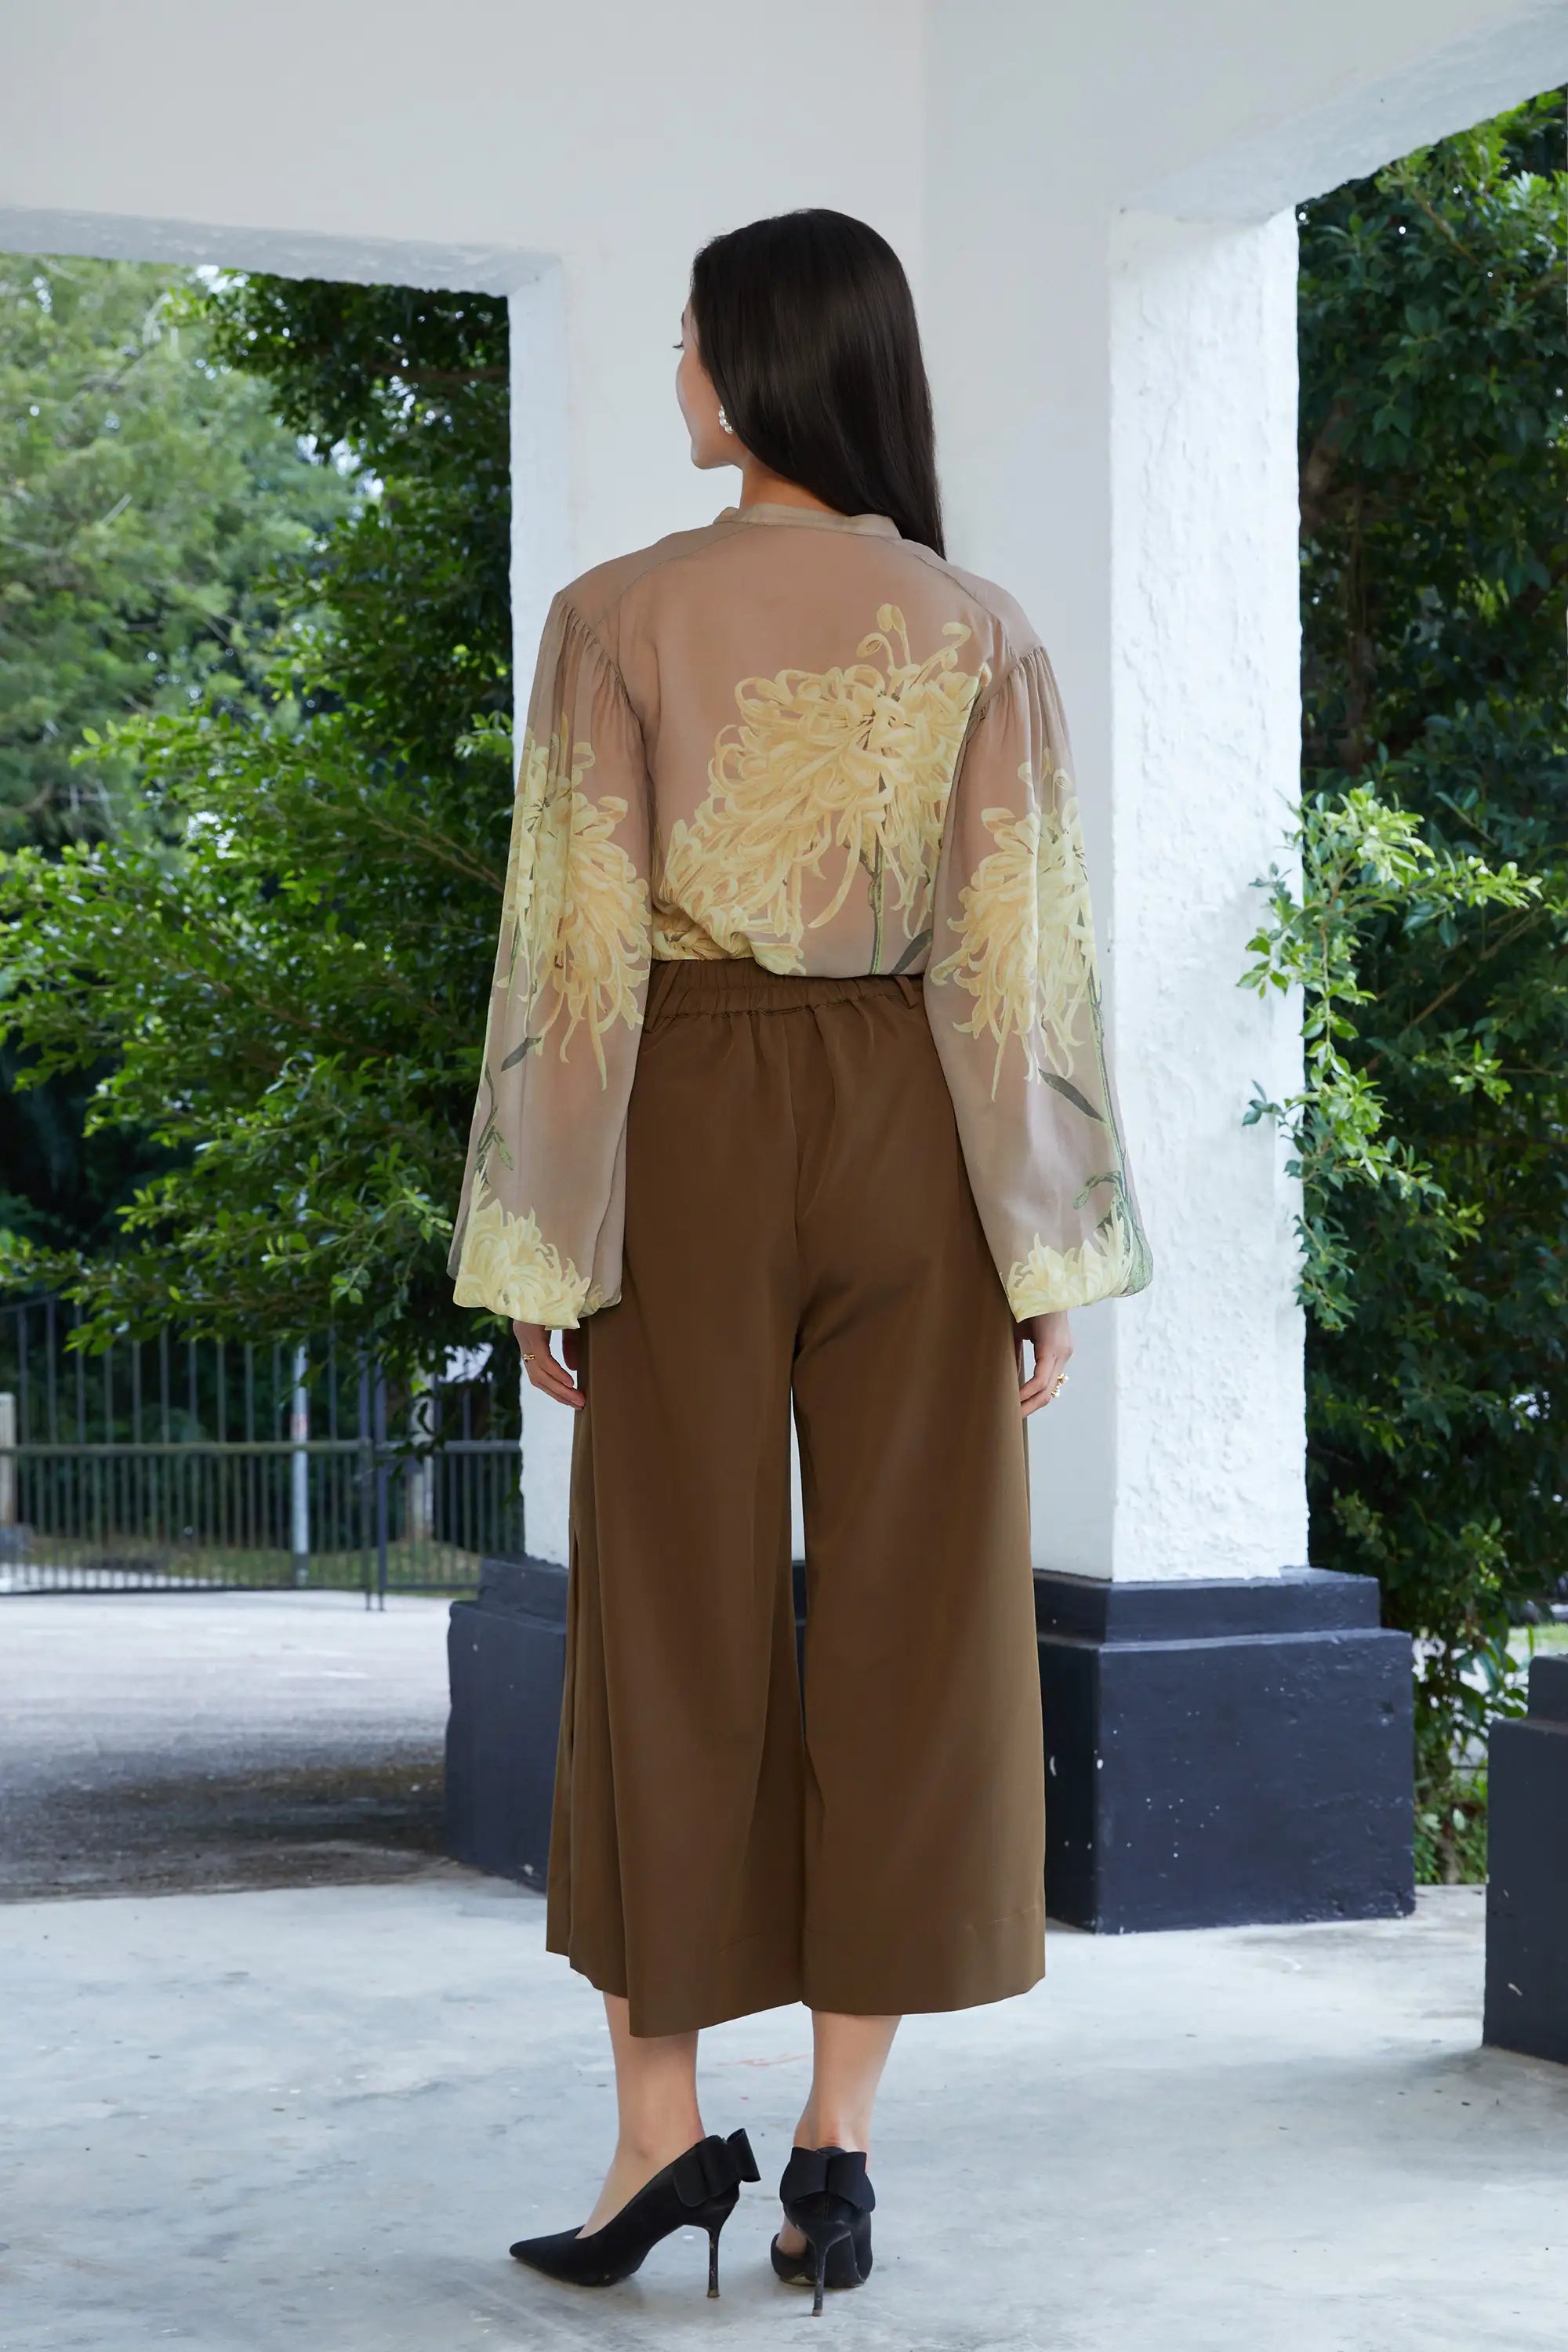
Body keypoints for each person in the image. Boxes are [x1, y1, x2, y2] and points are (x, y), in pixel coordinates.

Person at [449, 205, 1151, 2311]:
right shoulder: (980, 627)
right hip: (915, 1132)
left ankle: (659, 2139)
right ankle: (836, 2152)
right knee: (922, 1629)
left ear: (755, 369)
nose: (674, 371)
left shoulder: (610, 618)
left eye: (688, 343)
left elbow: (576, 955)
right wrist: (1040, 1246)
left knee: (664, 1627)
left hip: (691, 1115)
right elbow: (1017, 958)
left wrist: (544, 1247)